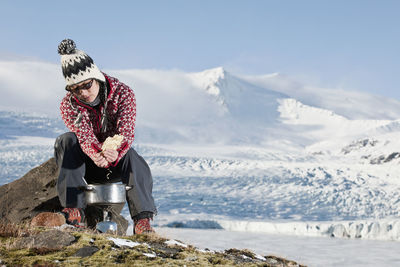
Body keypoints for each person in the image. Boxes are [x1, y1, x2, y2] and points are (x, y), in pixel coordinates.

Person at [54, 39, 157, 234]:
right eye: (76, 89)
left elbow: (126, 131)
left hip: (114, 163)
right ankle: (74, 210)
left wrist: (114, 153)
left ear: (96, 76)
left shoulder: (123, 93)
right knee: (66, 140)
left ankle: (143, 220)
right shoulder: (68, 105)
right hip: (85, 165)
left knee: (133, 158)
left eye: (87, 85)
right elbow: (83, 135)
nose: (83, 93)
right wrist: (96, 154)